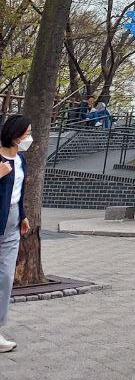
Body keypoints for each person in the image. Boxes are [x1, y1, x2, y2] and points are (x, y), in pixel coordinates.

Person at [0, 115, 33, 354]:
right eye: (27, 133)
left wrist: (22, 215)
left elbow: (19, 191)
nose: (30, 138)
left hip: (12, 224)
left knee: (5, 279)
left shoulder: (21, 159)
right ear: (15, 135)